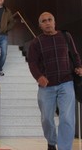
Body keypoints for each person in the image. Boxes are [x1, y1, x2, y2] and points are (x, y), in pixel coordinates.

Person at [28, 12, 82, 150]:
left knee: (67, 118)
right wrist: (39, 76)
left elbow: (74, 54)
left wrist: (79, 66)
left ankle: (64, 148)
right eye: (44, 21)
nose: (47, 23)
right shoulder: (36, 42)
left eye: (49, 20)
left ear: (54, 22)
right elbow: (32, 63)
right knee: (46, 119)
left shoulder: (65, 36)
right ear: (40, 25)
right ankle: (51, 142)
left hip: (66, 82)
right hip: (47, 86)